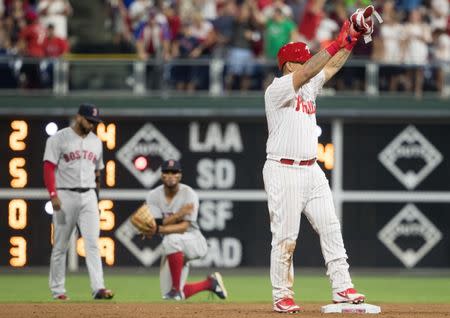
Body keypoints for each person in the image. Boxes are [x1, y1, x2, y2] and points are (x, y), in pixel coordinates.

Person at [262, 18, 366, 313]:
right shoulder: (278, 89)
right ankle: (282, 294)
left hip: (311, 169)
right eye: (304, 60)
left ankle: (342, 287)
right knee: (285, 236)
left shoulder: (307, 87)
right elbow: (313, 68)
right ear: (291, 65)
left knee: (331, 227)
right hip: (283, 170)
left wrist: (352, 38)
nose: (311, 63)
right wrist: (334, 42)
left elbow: (330, 65)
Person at [43, 103, 114, 300]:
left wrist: (96, 198)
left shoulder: (96, 142)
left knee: (92, 243)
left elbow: (97, 172)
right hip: (65, 195)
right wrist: (53, 195)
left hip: (89, 195)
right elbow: (48, 167)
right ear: (78, 117)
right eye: (89, 120)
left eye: (94, 122)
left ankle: (98, 288)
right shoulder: (59, 138)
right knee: (60, 245)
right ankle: (58, 291)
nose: (92, 125)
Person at [142, 159, 227, 301]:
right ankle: (209, 284)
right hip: (173, 248)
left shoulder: (189, 194)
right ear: (161, 175)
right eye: (166, 172)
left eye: (174, 172)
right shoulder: (153, 196)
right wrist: (178, 215)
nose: (170, 175)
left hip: (194, 240)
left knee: (171, 240)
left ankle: (176, 289)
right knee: (168, 295)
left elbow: (184, 227)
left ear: (180, 175)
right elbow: (155, 224)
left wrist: (158, 229)